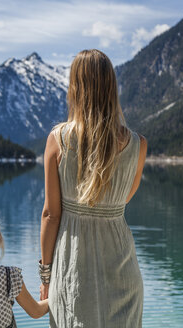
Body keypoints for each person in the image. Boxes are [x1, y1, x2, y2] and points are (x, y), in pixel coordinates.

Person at [39, 49, 148, 327]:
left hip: (74, 270)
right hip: (123, 271)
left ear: (75, 87)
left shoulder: (58, 140)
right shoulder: (138, 144)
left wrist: (45, 276)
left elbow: (51, 215)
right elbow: (122, 201)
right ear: (112, 87)